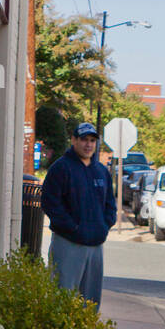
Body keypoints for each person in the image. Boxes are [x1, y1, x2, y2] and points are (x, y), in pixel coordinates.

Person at [40, 122, 118, 308]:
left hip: (95, 246)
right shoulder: (61, 168)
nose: (88, 144)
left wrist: (103, 226)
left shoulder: (101, 171)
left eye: (92, 140)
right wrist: (73, 227)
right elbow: (50, 204)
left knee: (90, 303)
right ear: (74, 140)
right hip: (68, 243)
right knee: (63, 298)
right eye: (84, 139)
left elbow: (110, 205)